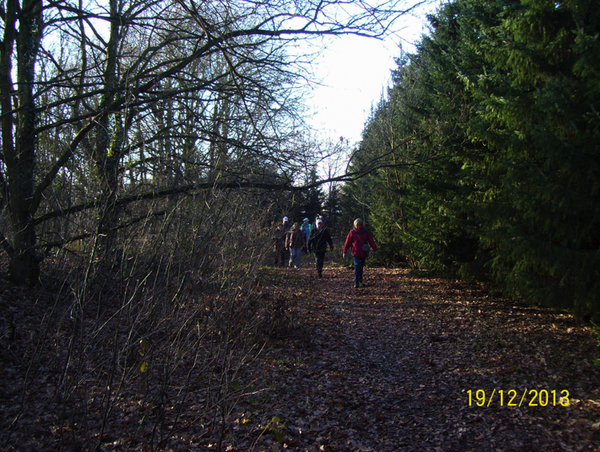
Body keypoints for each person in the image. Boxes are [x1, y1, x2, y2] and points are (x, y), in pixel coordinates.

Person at [342, 218, 378, 288]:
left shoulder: (365, 232)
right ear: (355, 225)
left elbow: (371, 241)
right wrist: (344, 251)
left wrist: (375, 249)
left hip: (363, 252)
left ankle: (360, 280)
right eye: (357, 225)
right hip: (355, 253)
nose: (358, 227)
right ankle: (356, 281)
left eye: (360, 225)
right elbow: (347, 243)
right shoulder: (352, 233)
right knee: (357, 266)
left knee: (361, 267)